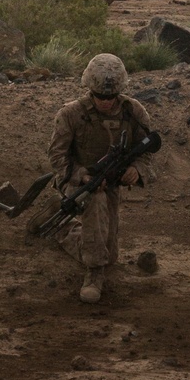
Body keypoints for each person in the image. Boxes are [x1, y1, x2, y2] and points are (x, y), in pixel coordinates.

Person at [47, 53, 154, 304]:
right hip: (80, 183)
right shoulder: (71, 114)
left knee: (111, 254)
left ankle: (64, 230)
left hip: (113, 182)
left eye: (111, 97)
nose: (106, 102)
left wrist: (137, 170)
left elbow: (147, 151)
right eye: (100, 96)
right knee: (95, 205)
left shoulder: (134, 112)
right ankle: (94, 274)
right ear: (89, 90)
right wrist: (81, 175)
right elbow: (57, 156)